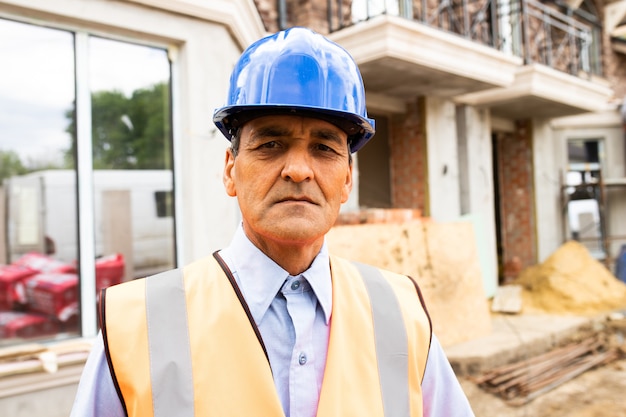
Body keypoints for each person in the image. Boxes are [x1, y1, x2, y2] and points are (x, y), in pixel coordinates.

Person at [70, 27, 475, 417]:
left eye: (323, 148)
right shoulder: (135, 327)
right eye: (270, 144)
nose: (298, 170)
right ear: (230, 170)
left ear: (347, 178)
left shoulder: (403, 315)